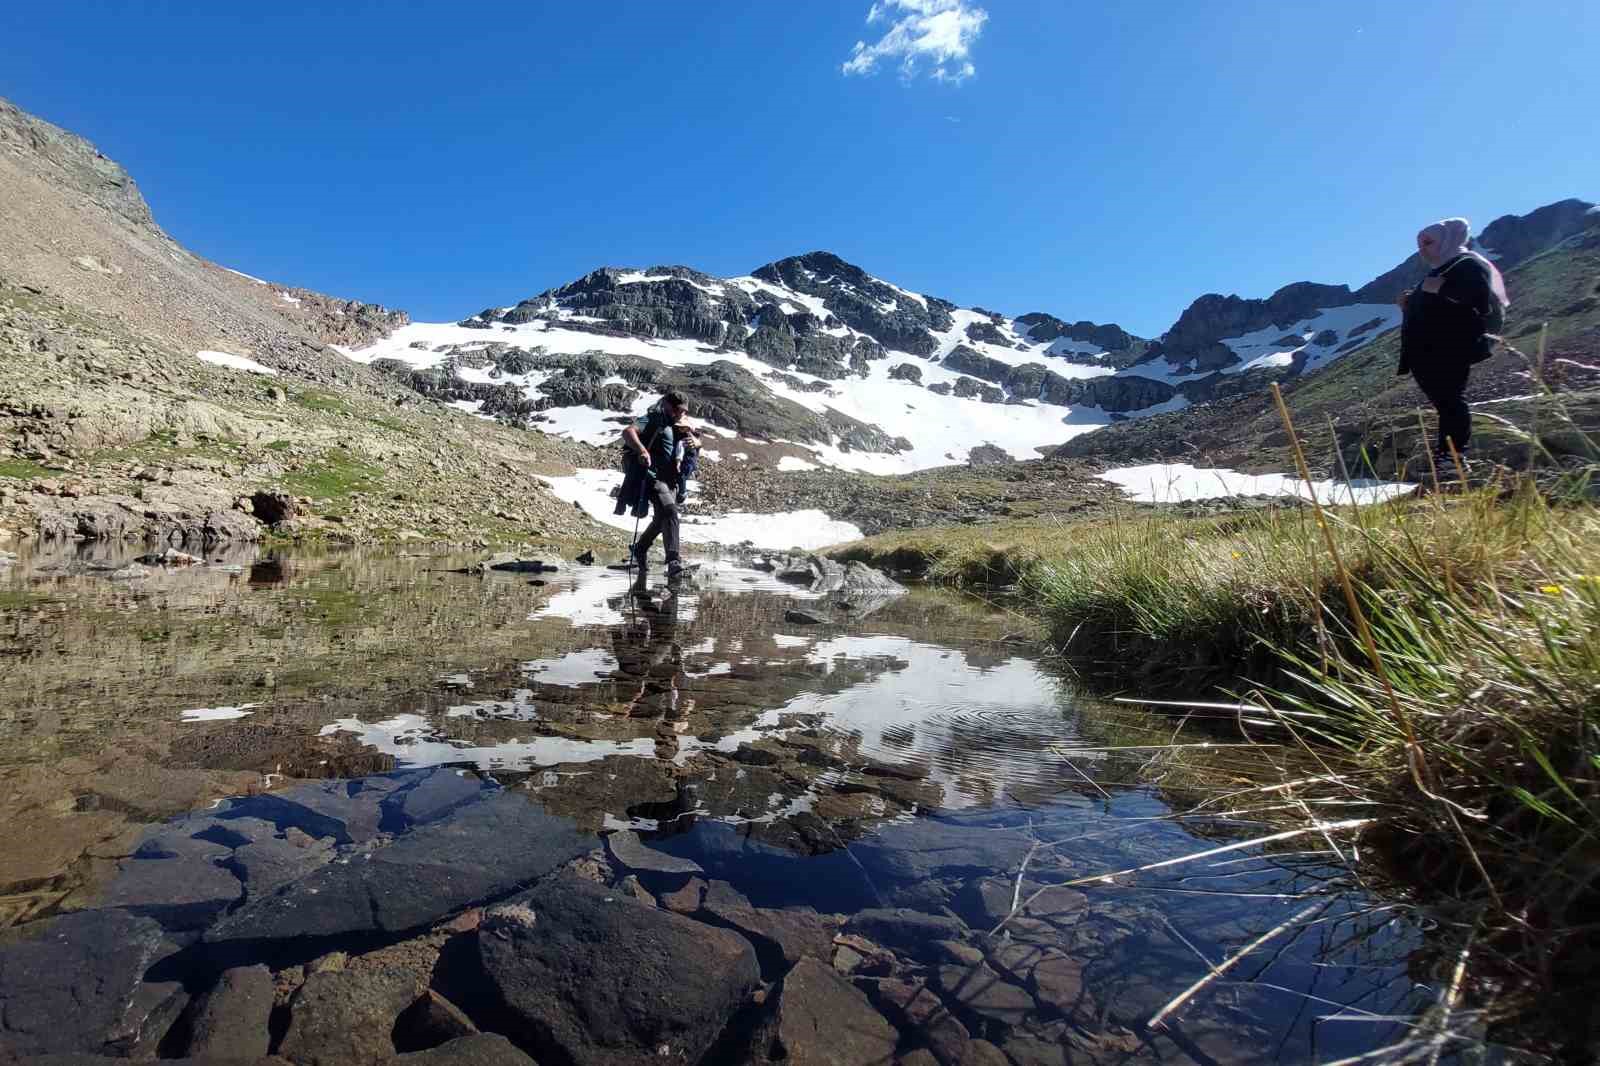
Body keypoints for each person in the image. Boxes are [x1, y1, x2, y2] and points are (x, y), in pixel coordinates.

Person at [1397, 217, 1509, 465]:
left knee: (1450, 401)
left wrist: (1439, 289)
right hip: (1429, 349)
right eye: (1420, 244)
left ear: (1447, 240)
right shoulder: (1442, 268)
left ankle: (1452, 459)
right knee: (1446, 401)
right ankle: (1447, 457)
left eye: (1428, 242)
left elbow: (1478, 300)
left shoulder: (1467, 263)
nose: (1422, 249)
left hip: (1449, 347)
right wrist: (1409, 305)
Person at [621, 390, 699, 577]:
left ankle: (639, 549)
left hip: (671, 479)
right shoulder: (652, 419)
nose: (681, 414)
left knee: (661, 519)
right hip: (652, 477)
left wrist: (695, 442)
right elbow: (628, 432)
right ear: (666, 405)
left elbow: (695, 440)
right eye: (677, 410)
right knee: (670, 512)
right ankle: (673, 561)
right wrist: (642, 451)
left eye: (683, 411)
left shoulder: (679, 425)